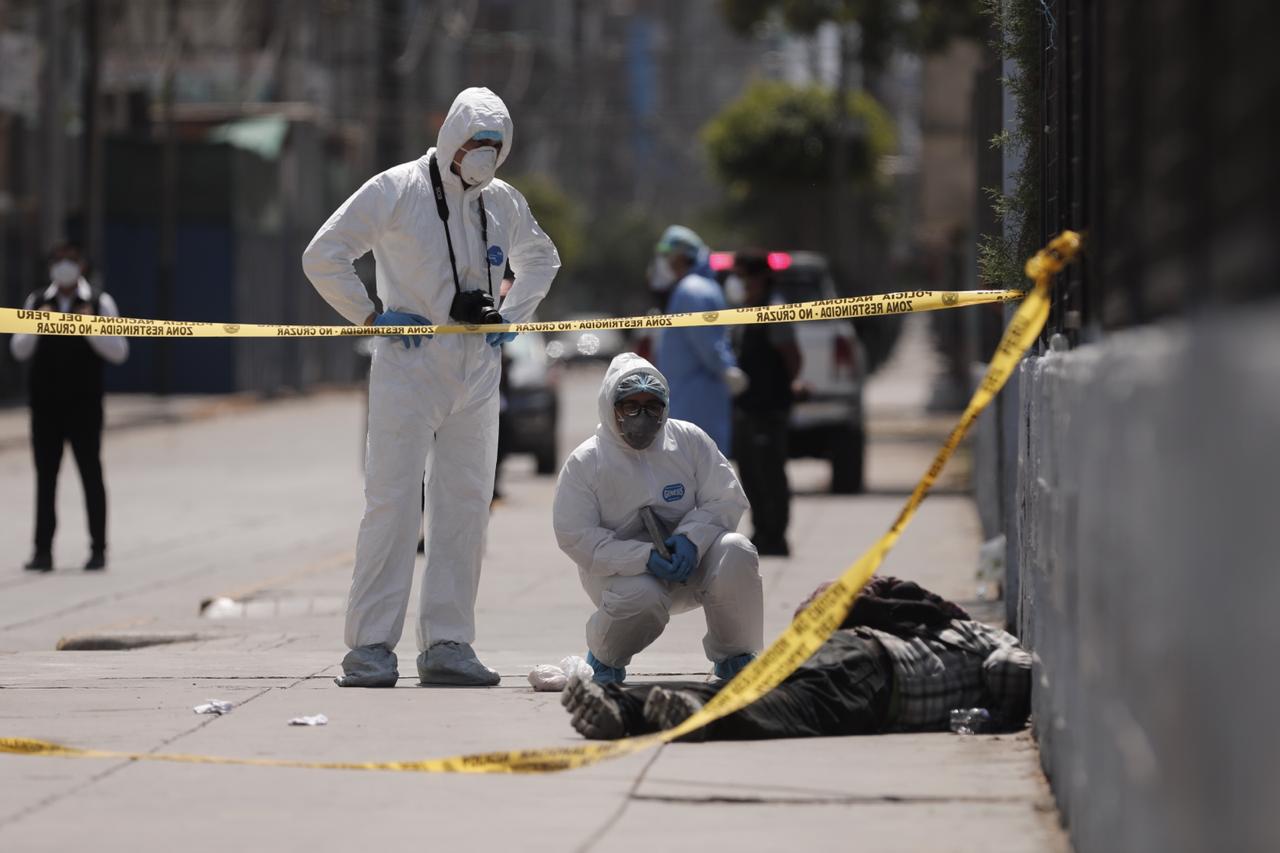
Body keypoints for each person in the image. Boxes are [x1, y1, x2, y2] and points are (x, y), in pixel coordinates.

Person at [302, 87, 560, 687]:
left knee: (465, 509)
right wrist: (370, 316)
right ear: (450, 136)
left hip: (477, 374)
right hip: (408, 369)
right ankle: (369, 647)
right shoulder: (397, 190)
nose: (484, 156)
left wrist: (510, 319)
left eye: (496, 147)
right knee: (393, 505)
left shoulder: (503, 202)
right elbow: (325, 254)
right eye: (476, 143)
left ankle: (448, 642)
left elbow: (542, 260)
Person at [561, 575, 1032, 741]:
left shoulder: (943, 626)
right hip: (876, 676)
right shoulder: (989, 641)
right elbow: (1010, 671)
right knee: (782, 709)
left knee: (753, 691)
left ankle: (623, 706)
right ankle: (692, 716)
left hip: (856, 656)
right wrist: (1009, 711)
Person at [553, 353, 763, 685]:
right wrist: (643, 557)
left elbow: (725, 497)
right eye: (630, 406)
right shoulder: (587, 461)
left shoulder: (688, 441)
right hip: (619, 577)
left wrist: (691, 539)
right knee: (641, 597)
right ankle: (606, 656)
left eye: (652, 406)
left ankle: (736, 655)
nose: (642, 416)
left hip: (687, 565)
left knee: (736, 549)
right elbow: (575, 536)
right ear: (611, 407)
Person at [10, 243, 129, 572]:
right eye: (59, 261)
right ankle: (42, 551)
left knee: (90, 474)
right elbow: (18, 350)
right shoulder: (37, 302)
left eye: (71, 261)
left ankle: (98, 549)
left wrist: (90, 329)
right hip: (46, 406)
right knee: (46, 478)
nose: (64, 267)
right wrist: (38, 323)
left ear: (82, 266)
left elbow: (119, 352)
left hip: (84, 406)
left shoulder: (99, 302)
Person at [727, 251, 802, 557]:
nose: (740, 283)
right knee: (750, 473)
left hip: (769, 408)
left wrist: (779, 389)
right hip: (747, 407)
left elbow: (792, 357)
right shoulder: (744, 309)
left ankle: (777, 534)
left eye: (744, 276)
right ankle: (761, 530)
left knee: (771, 472)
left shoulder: (774, 310)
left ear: (760, 278)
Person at [652, 225, 747, 455]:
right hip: (692, 397)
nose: (664, 262)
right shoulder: (695, 288)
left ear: (681, 256)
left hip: (696, 401)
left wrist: (724, 369)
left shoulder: (691, 291)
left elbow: (706, 341)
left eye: (668, 255)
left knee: (698, 469)